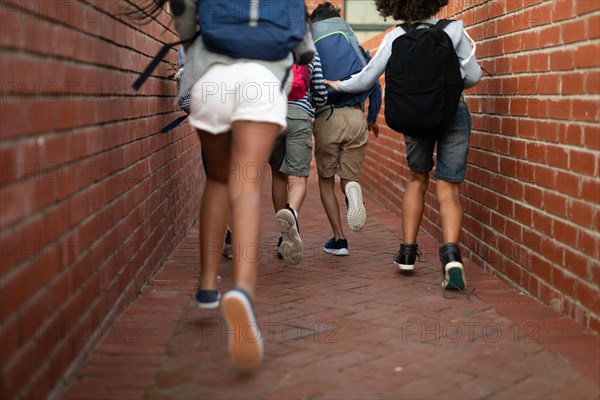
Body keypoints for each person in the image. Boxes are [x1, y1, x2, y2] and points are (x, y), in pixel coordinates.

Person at [136, 0, 314, 370]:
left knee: (217, 180)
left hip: (210, 76)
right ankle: (244, 292)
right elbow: (304, 47)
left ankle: (206, 285)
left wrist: (194, 42)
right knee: (246, 184)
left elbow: (183, 13)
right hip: (261, 79)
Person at [325, 0, 482, 290]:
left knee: (417, 179)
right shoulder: (455, 30)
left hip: (416, 116)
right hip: (453, 112)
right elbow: (474, 75)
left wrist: (338, 85)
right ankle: (451, 257)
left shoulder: (395, 37)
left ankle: (408, 253)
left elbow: (366, 78)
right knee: (449, 187)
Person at [309, 2, 382, 257]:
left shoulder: (311, 43)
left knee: (326, 180)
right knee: (349, 178)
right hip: (356, 118)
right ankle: (352, 191)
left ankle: (339, 240)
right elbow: (374, 82)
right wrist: (371, 118)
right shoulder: (354, 44)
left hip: (327, 117)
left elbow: (308, 82)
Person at [270, 52, 328, 265]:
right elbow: (321, 93)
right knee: (298, 178)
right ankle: (292, 214)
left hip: (272, 116)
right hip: (299, 116)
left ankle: (283, 235)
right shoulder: (310, 52)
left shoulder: (269, 45)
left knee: (278, 176)